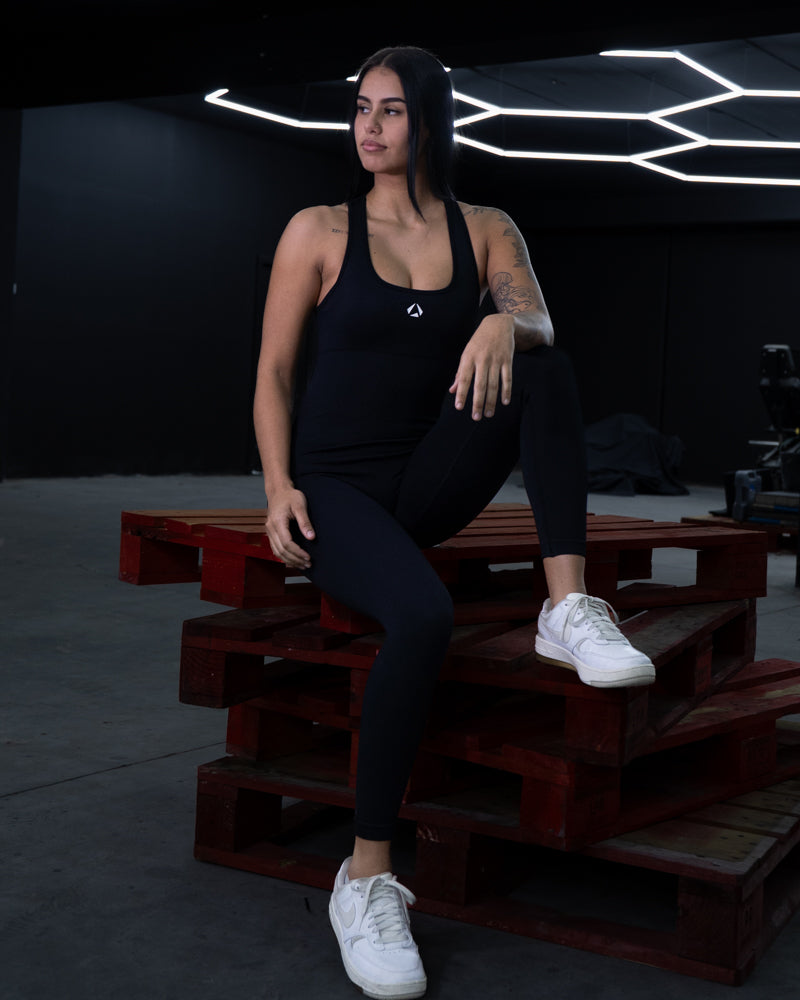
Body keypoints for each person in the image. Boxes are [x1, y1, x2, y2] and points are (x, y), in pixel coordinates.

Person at [253, 44, 655, 1000]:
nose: (369, 126)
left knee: (543, 363)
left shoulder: (484, 228)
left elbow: (539, 321)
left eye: (391, 110)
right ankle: (365, 878)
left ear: (429, 121)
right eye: (361, 107)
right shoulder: (318, 229)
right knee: (424, 616)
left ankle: (565, 607)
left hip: (428, 478)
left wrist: (502, 320)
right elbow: (273, 374)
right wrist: (277, 488)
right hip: (337, 494)